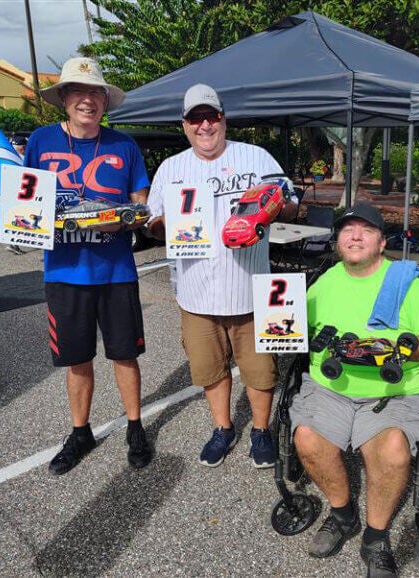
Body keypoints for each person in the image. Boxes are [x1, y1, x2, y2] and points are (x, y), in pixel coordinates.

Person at [289, 203, 419, 577]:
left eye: (366, 230)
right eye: (348, 230)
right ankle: (342, 514)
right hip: (330, 388)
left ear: (381, 243)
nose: (355, 236)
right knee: (307, 438)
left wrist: (401, 348)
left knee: (392, 449)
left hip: (392, 393)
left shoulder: (404, 283)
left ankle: (376, 537)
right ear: (338, 241)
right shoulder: (325, 281)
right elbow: (291, 328)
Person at [146, 83, 298, 468]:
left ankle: (260, 431)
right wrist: (168, 224)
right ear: (184, 124)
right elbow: (152, 225)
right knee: (209, 368)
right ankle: (223, 428)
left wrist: (271, 207)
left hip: (251, 290)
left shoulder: (256, 157)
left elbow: (292, 204)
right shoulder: (170, 168)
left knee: (260, 370)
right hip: (195, 293)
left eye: (211, 116)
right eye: (195, 118)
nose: (204, 125)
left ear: (223, 119)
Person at [25, 57, 152, 475]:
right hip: (64, 273)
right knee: (77, 359)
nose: (87, 100)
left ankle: (135, 427)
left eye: (96, 92)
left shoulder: (124, 145)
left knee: (125, 355)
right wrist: (22, 226)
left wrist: (126, 219)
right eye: (78, 91)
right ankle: (80, 432)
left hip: (116, 272)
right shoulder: (41, 141)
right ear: (64, 98)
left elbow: (141, 205)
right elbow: (25, 200)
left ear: (105, 101)